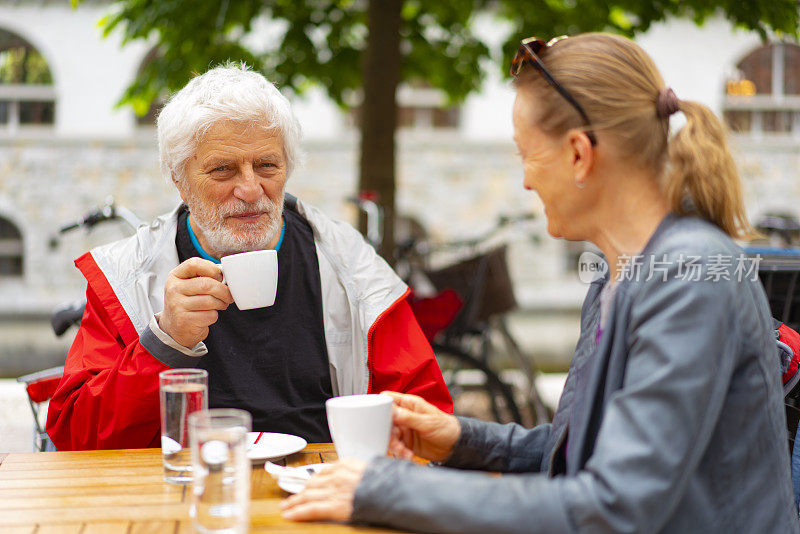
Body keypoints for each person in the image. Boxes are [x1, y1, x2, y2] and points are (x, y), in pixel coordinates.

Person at [280, 33, 799, 533]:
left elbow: (614, 506)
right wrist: (460, 439)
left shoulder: (687, 276)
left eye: (526, 153)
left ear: (579, 154)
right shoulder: (616, 277)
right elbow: (583, 452)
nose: (525, 179)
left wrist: (384, 488)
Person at [46, 64, 452, 451]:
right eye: (223, 170)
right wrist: (164, 341)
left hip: (319, 483)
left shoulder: (348, 263)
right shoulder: (129, 274)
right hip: (183, 490)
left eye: (266, 165)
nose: (251, 189)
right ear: (179, 180)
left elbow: (426, 412)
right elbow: (75, 436)